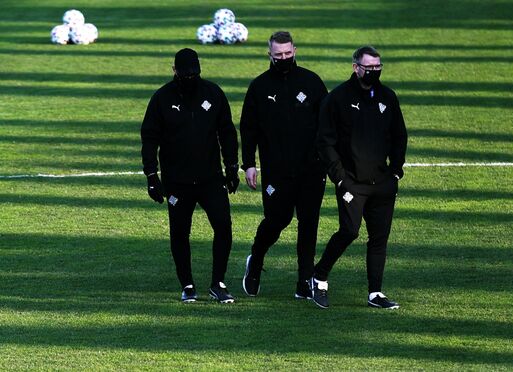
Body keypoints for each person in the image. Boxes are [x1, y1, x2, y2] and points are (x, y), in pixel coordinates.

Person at [311, 45, 408, 309]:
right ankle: (319, 276)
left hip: (383, 182)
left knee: (379, 238)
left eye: (378, 68)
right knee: (349, 231)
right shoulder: (337, 99)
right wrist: (340, 177)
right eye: (369, 68)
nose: (373, 72)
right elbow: (325, 141)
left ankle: (375, 293)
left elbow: (400, 135)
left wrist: (396, 170)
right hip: (351, 181)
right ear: (356, 68)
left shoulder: (388, 97)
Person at [141, 48, 240, 304]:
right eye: (185, 73)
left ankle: (218, 282)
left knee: (223, 226)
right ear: (174, 70)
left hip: (211, 179)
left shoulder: (213, 94)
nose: (189, 77)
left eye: (194, 73)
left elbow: (227, 132)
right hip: (177, 182)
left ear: (200, 70)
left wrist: (231, 168)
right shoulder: (162, 98)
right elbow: (149, 139)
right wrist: (152, 177)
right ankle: (187, 284)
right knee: (179, 233)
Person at [240, 31, 328, 299]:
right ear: (269, 54)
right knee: (278, 220)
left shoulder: (312, 82)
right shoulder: (259, 87)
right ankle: (255, 260)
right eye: (278, 55)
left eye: (287, 53)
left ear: (295, 50)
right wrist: (249, 164)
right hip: (277, 171)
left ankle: (304, 281)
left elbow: (328, 124)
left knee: (309, 223)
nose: (283, 58)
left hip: (312, 169)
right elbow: (248, 129)